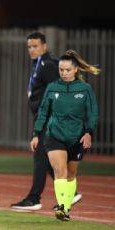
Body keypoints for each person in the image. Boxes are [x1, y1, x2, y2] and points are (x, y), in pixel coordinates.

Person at [11, 32, 82, 210]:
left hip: (49, 119)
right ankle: (69, 193)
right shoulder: (39, 64)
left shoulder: (47, 64)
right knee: (47, 158)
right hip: (43, 117)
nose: (32, 50)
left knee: (39, 157)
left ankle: (34, 198)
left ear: (44, 46)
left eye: (35, 46)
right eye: (29, 46)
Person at [30, 49, 99, 221]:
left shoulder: (85, 89)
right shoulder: (53, 88)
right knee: (60, 170)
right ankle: (62, 207)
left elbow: (93, 113)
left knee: (71, 174)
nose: (64, 73)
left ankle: (66, 207)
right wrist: (37, 134)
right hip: (55, 136)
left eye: (67, 70)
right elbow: (43, 111)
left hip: (77, 137)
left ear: (75, 69)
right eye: (61, 70)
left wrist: (89, 132)